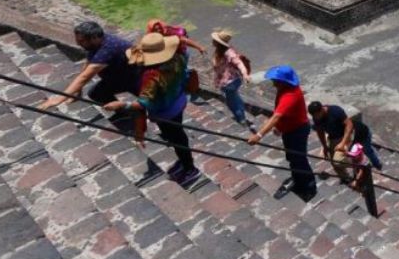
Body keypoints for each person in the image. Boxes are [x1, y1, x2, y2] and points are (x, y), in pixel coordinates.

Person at [100, 32, 197, 186]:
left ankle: (189, 168)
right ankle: (184, 161)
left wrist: (122, 105)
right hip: (178, 102)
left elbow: (144, 103)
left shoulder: (152, 76)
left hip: (165, 112)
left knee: (177, 138)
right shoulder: (178, 57)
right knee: (178, 135)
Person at [249, 65, 316, 201]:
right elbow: (282, 114)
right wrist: (280, 128)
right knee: (292, 158)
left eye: (276, 80)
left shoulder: (290, 95)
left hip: (297, 131)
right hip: (290, 129)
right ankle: (297, 179)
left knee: (299, 160)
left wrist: (259, 135)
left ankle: (309, 187)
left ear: (283, 81)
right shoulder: (284, 89)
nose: (273, 82)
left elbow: (276, 116)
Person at [39, 21, 138, 111]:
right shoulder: (97, 43)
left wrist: (59, 98)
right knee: (97, 94)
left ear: (94, 38)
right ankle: (124, 112)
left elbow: (85, 76)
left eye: (81, 41)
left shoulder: (107, 50)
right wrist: (77, 91)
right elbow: (89, 63)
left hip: (137, 78)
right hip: (118, 77)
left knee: (150, 104)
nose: (78, 43)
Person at [309, 100, 382, 182]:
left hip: (356, 135)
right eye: (314, 116)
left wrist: (342, 143)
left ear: (322, 109)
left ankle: (372, 164)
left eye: (317, 115)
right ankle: (346, 178)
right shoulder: (317, 118)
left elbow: (349, 125)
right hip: (335, 137)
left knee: (368, 150)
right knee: (334, 161)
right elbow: (320, 131)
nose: (316, 118)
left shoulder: (335, 111)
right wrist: (325, 146)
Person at [209, 30, 252, 128]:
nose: (212, 40)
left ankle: (241, 120)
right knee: (234, 96)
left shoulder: (228, 53)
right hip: (231, 81)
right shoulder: (220, 51)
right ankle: (241, 109)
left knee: (232, 103)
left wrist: (245, 74)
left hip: (229, 83)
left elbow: (239, 63)